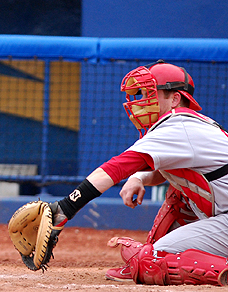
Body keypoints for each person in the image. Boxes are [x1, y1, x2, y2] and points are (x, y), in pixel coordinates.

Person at [46, 60, 228, 286]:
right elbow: (165, 172)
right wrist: (139, 177)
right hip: (223, 217)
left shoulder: (178, 125)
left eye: (152, 93)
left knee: (150, 260)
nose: (143, 101)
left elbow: (116, 167)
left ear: (175, 98)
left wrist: (66, 208)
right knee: (177, 195)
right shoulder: (190, 125)